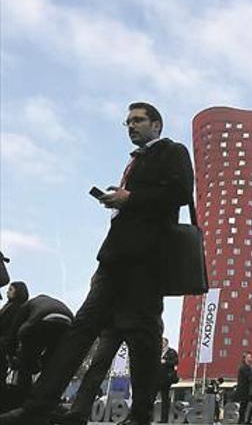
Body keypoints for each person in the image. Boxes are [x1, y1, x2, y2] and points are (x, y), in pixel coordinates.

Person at [0, 102, 195, 425]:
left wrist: (130, 199)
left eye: (138, 120)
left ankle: (141, 415)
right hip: (113, 261)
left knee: (143, 339)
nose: (130, 126)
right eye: (128, 122)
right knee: (81, 329)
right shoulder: (135, 161)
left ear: (157, 125)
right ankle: (38, 406)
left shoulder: (172, 152)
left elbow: (181, 192)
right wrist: (119, 201)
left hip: (145, 262)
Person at [3, 294, 74, 403]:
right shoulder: (52, 303)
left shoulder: (27, 305)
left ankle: (23, 396)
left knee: (25, 362)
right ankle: (43, 397)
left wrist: (11, 353)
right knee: (50, 364)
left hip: (43, 321)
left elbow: (14, 330)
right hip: (67, 325)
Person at [52, 328, 124, 425]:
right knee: (96, 366)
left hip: (135, 321)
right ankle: (77, 413)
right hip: (114, 325)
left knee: (97, 367)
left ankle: (140, 416)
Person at [0, 282, 29, 399]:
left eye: (11, 290)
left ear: (18, 292)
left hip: (4, 344)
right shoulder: (10, 306)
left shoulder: (17, 308)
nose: (7, 292)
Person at [157, 337, 178, 423]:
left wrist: (165, 362)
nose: (161, 344)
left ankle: (164, 419)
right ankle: (148, 417)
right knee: (150, 396)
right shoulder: (157, 351)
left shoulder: (171, 352)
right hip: (156, 378)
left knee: (165, 398)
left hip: (166, 378)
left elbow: (175, 362)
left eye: (163, 342)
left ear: (166, 343)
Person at [236, 352, 252, 424]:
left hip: (246, 391)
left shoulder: (248, 367)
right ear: (245, 358)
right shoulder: (243, 367)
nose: (250, 359)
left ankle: (242, 421)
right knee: (242, 408)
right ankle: (241, 422)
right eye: (249, 357)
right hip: (243, 390)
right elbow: (249, 377)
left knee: (244, 407)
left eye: (251, 357)